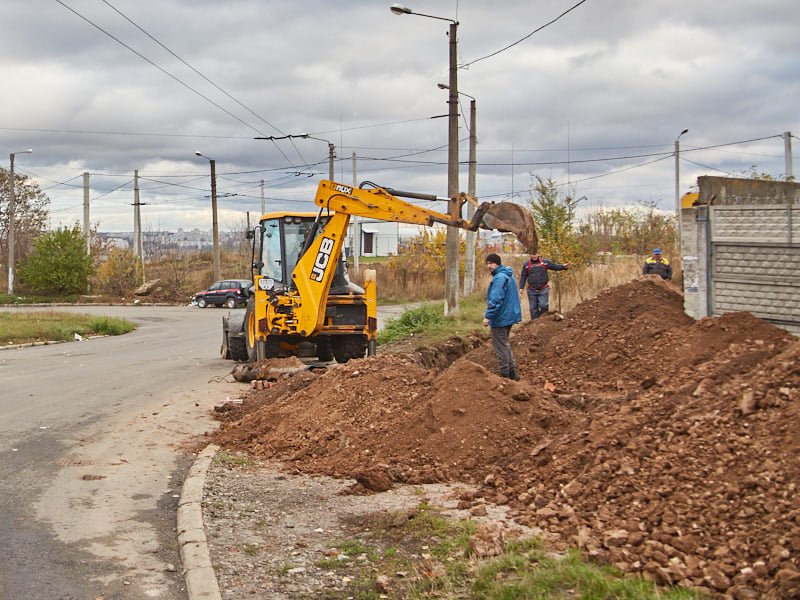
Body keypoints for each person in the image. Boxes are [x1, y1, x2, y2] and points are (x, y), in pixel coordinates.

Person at [483, 253, 522, 381]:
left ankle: (505, 377)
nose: (489, 266)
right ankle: (513, 375)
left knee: (500, 347)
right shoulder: (507, 275)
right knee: (505, 345)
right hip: (508, 316)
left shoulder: (499, 278)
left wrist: (488, 316)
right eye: (487, 263)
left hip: (501, 318)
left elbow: (496, 299)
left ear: (497, 263)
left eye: (491, 263)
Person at [518, 252, 572, 320]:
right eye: (532, 254)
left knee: (543, 306)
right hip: (531, 290)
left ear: (538, 254)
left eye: (535, 254)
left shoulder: (545, 262)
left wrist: (564, 266)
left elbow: (555, 266)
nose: (534, 256)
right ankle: (534, 323)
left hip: (543, 289)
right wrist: (521, 287)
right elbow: (523, 276)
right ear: (530, 255)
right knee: (533, 309)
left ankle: (543, 320)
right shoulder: (526, 264)